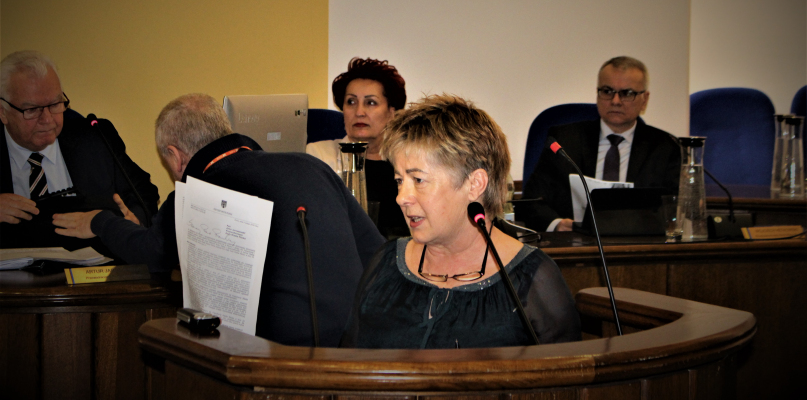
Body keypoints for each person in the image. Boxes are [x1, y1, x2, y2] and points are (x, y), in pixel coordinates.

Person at [53, 93, 385, 347]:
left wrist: (99, 222)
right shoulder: (312, 166)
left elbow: (150, 254)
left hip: (274, 359)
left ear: (175, 156)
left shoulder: (196, 191)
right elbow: (377, 253)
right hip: (358, 345)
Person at [340, 94, 581, 349]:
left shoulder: (532, 279)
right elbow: (347, 363)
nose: (401, 198)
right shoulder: (385, 263)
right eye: (400, 181)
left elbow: (566, 372)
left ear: (475, 184)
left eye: (418, 180)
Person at [0, 50, 158, 248]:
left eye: (55, 104)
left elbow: (144, 194)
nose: (47, 119)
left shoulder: (95, 138)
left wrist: (133, 224)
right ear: (3, 112)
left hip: (93, 264)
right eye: (32, 109)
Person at [519, 56, 681, 232]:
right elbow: (532, 202)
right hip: (574, 242)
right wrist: (558, 225)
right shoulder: (564, 141)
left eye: (627, 93)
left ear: (645, 99)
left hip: (639, 242)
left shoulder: (666, 148)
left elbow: (675, 209)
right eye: (607, 91)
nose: (615, 101)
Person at [306, 57, 408, 237]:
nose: (359, 112)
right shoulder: (318, 156)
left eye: (371, 102)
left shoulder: (408, 161)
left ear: (392, 112)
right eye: (351, 102)